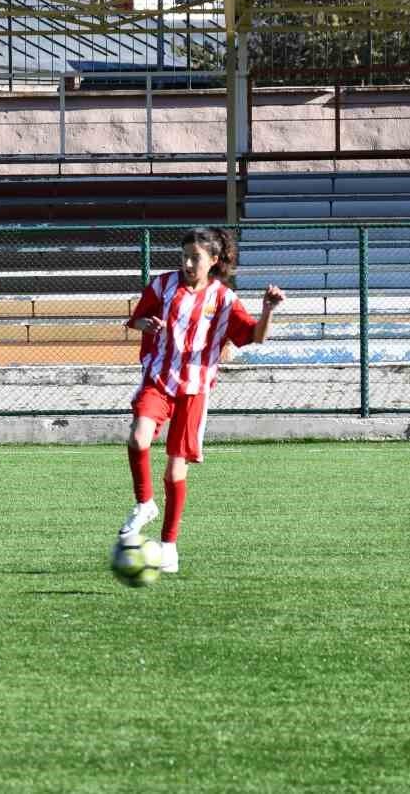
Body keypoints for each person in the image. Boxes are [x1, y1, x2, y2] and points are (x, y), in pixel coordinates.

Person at [118, 227, 285, 575]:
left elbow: (255, 336)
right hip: (159, 381)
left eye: (196, 257)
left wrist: (268, 310)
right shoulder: (163, 285)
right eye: (185, 256)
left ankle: (168, 546)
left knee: (175, 468)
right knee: (137, 438)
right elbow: (134, 320)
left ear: (213, 260)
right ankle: (145, 504)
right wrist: (144, 325)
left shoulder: (223, 299)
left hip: (194, 391)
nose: (188, 263)